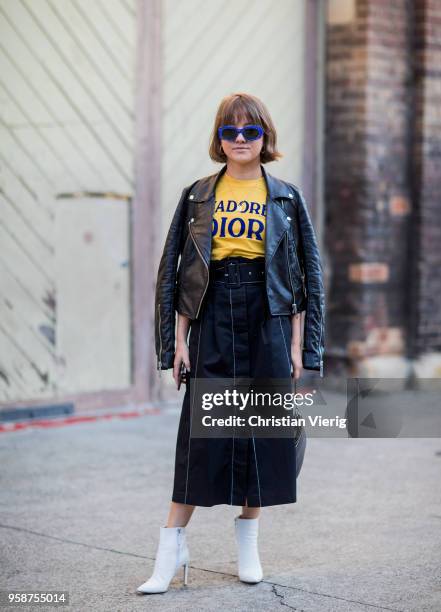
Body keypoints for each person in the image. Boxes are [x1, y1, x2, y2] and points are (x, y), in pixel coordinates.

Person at [137, 92, 325, 594]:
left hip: (268, 315)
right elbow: (173, 276)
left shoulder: (285, 196)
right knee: (202, 437)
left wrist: (299, 347)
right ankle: (171, 548)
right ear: (218, 139)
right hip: (213, 312)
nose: (240, 140)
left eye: (250, 131)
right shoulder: (197, 194)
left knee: (262, 434)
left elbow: (307, 276)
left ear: (266, 138)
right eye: (230, 131)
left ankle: (249, 544)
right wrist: (174, 343)